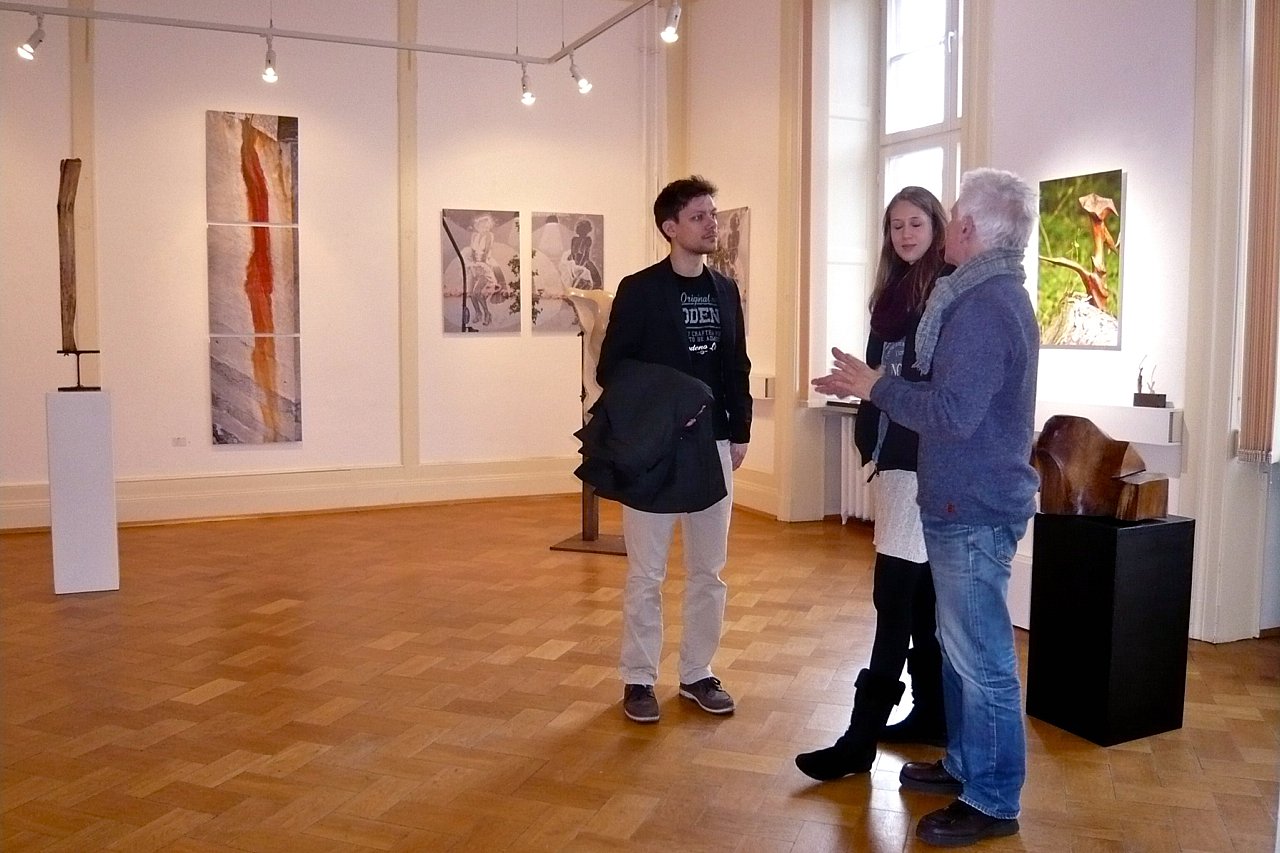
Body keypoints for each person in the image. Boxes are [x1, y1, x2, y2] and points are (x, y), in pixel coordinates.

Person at [812, 168, 1039, 847]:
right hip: (963, 498)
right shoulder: (982, 296)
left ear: (966, 228)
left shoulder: (983, 306)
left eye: (947, 217)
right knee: (964, 652)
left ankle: (993, 799)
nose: (936, 229)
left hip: (971, 504)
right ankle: (966, 764)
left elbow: (952, 414)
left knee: (983, 660)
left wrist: (877, 386)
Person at [797, 186, 952, 782]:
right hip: (893, 457)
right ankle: (932, 714)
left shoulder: (946, 293)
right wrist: (858, 384)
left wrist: (876, 382)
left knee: (895, 597)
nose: (905, 235)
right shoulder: (891, 294)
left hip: (922, 460)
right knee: (918, 600)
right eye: (896, 226)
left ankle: (860, 739)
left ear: (937, 228)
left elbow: (934, 385)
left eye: (915, 224)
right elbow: (882, 376)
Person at [596, 175, 751, 724]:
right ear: (670, 227)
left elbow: (736, 365)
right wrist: (672, 402)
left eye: (713, 214)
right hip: (656, 450)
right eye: (699, 216)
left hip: (714, 445)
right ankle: (639, 678)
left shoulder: (726, 290)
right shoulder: (640, 290)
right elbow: (612, 368)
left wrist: (741, 431)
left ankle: (697, 673)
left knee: (710, 570)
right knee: (647, 573)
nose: (712, 224)